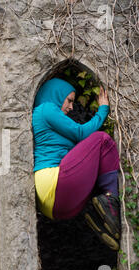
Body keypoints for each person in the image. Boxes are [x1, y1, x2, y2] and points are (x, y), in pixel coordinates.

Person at [32, 78, 121, 250]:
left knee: (93, 166)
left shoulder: (48, 119)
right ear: (56, 94)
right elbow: (81, 133)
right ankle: (111, 202)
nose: (71, 107)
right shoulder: (46, 109)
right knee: (102, 140)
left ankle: (105, 222)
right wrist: (103, 109)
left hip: (57, 208)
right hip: (54, 182)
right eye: (69, 100)